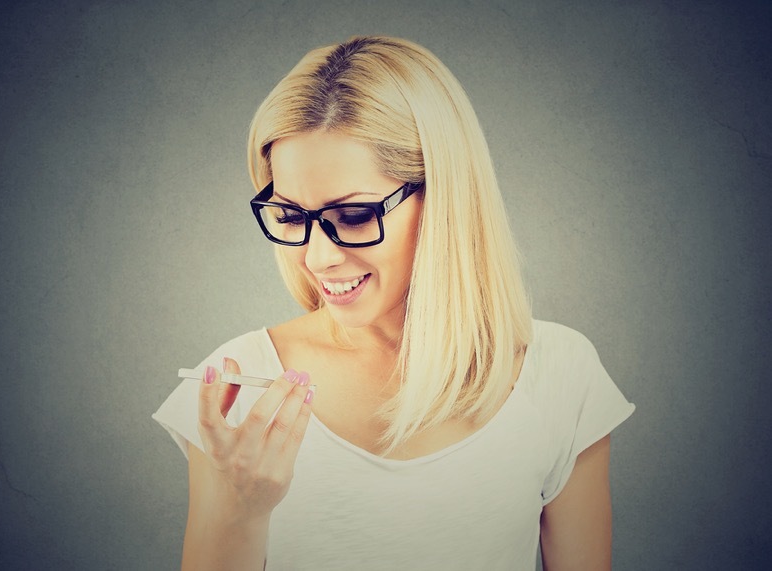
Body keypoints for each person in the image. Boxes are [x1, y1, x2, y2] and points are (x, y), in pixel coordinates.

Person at [153, 36, 635, 571]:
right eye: (289, 216)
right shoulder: (239, 389)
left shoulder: (558, 373)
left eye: (355, 215)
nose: (318, 257)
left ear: (443, 198)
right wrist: (241, 513)